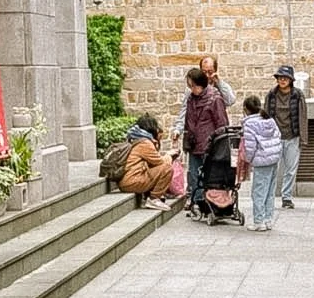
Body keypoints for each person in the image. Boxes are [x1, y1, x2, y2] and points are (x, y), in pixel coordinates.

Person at [181, 65, 230, 213]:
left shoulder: (215, 98)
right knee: (194, 174)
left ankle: (209, 203)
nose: (191, 89)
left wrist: (217, 143)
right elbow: (188, 119)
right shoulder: (191, 99)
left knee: (209, 176)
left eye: (193, 85)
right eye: (190, 86)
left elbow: (222, 123)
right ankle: (197, 201)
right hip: (194, 143)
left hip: (210, 145)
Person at [262, 64, 308, 210]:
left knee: (290, 169)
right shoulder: (271, 94)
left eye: (285, 78)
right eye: (280, 77)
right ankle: (269, 196)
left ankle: (286, 197)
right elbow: (266, 116)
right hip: (275, 137)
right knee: (273, 168)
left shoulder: (298, 95)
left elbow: (303, 116)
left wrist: (303, 137)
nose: (282, 80)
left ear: (290, 79)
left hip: (292, 136)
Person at [237, 94, 284, 231]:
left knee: (258, 192)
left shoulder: (250, 124)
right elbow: (278, 136)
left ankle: (259, 221)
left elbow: (250, 147)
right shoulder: (269, 120)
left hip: (261, 161)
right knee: (269, 191)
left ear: (246, 109)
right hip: (274, 159)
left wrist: (249, 159)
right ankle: (268, 219)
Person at [119, 114, 174, 207]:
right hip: (132, 181)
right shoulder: (145, 143)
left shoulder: (135, 138)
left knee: (157, 168)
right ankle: (154, 199)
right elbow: (160, 162)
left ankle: (150, 196)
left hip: (126, 181)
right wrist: (169, 155)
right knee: (167, 168)